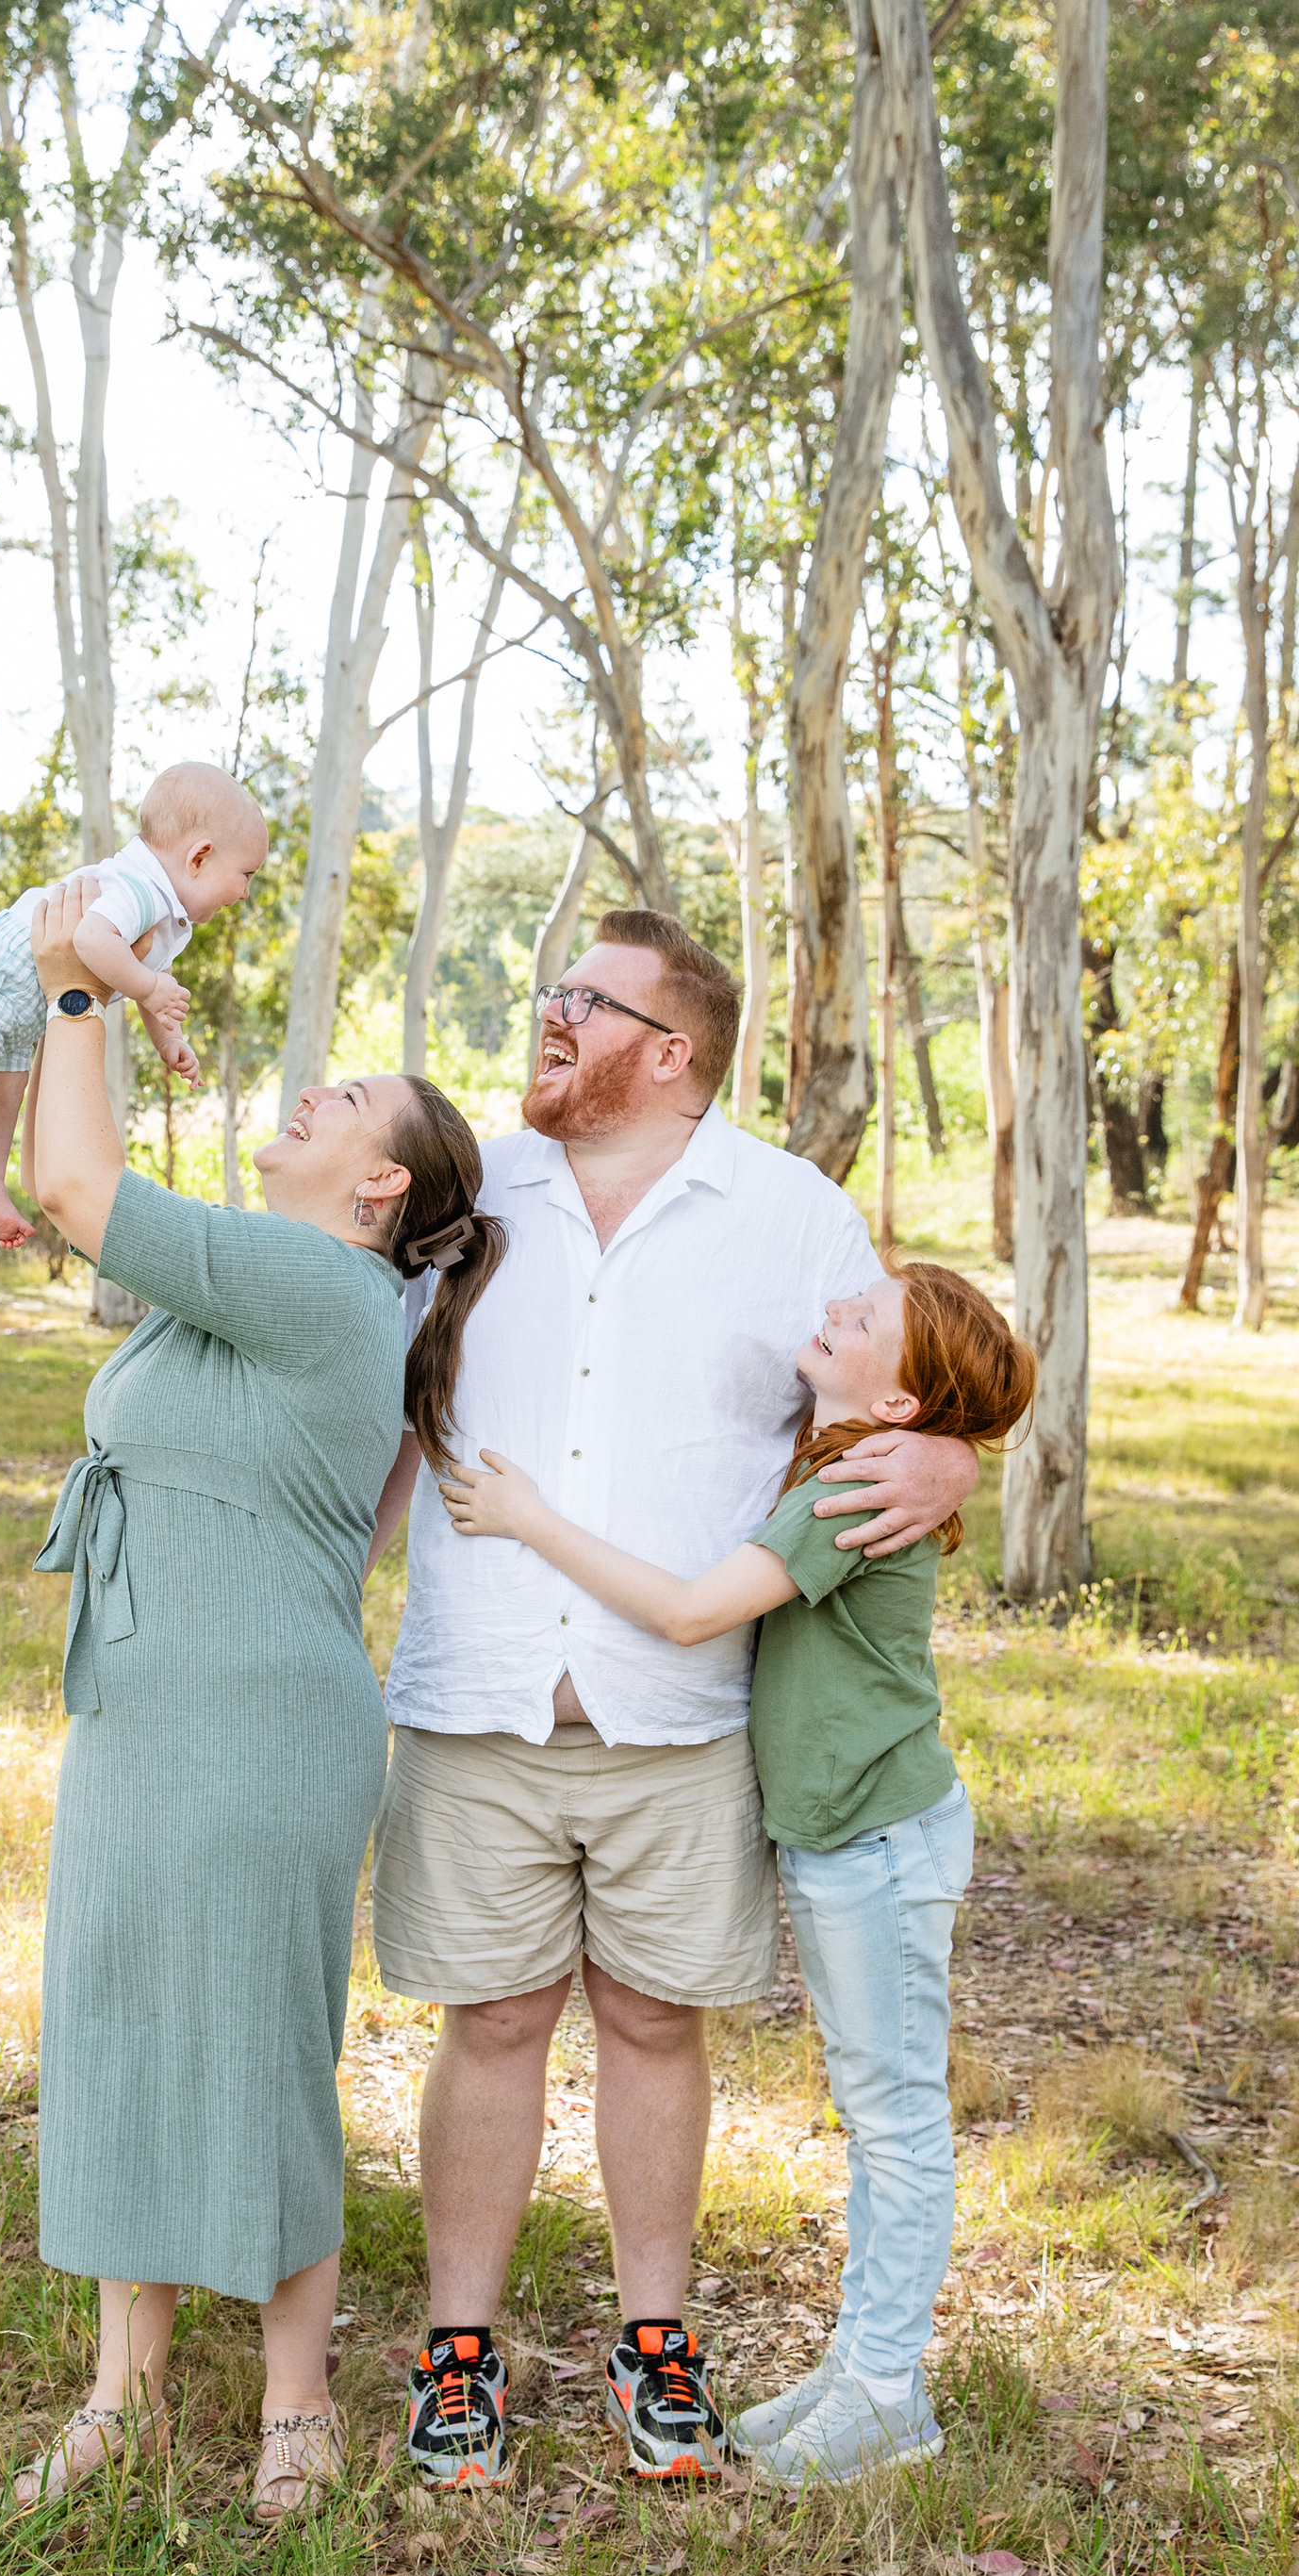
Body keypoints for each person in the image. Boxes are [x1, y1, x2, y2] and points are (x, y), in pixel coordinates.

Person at [367, 905, 979, 2488]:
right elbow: (327, 1334)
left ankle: (658, 2354)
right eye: (548, 984)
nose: (547, 1011)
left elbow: (906, 1379)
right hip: (476, 1684)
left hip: (681, 1705)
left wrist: (953, 1454)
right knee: (490, 2020)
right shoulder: (466, 1192)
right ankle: (459, 2362)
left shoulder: (791, 1216)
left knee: (652, 2020)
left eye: (584, 995)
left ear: (672, 1047)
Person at [12, 881, 503, 2524]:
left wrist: (74, 990)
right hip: (147, 1709)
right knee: (124, 2022)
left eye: (348, 1099)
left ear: (381, 1186)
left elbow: (74, 1181)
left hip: (258, 1729)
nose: (314, 1093)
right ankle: (124, 2398)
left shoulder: (317, 1287)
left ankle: (299, 2406)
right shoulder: (267, 1290)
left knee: (257, 2047)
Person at [439, 1259, 1036, 2485]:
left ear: (907, 1405)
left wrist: (531, 1521)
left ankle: (886, 2392)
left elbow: (693, 1614)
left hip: (877, 1840)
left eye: (862, 1321)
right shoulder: (847, 1462)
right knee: (879, 2115)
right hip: (851, 1840)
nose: (832, 1314)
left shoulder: (848, 1487)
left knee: (895, 2122)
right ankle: (860, 2373)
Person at [0, 762, 267, 1247]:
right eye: (246, 874)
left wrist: (169, 1039)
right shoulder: (138, 888)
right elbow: (93, 939)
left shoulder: (160, 907)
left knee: (2, 1097)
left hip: (23, 1004)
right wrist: (148, 987)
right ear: (199, 857)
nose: (244, 892)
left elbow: (137, 970)